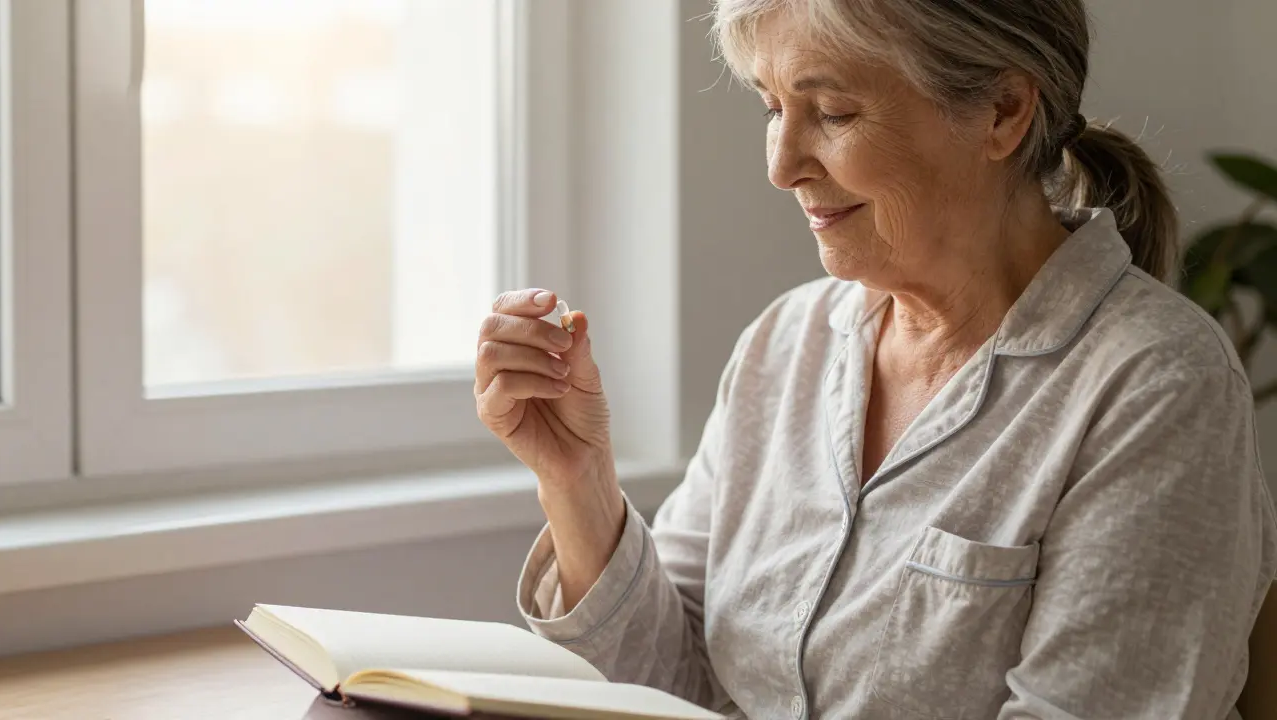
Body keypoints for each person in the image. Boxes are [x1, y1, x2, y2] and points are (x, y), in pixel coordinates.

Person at [473, 0, 1277, 717]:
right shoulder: (784, 344)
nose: (780, 166)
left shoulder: (1156, 383)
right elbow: (670, 685)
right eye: (772, 107)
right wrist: (578, 480)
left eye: (832, 112)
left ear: (1003, 111)